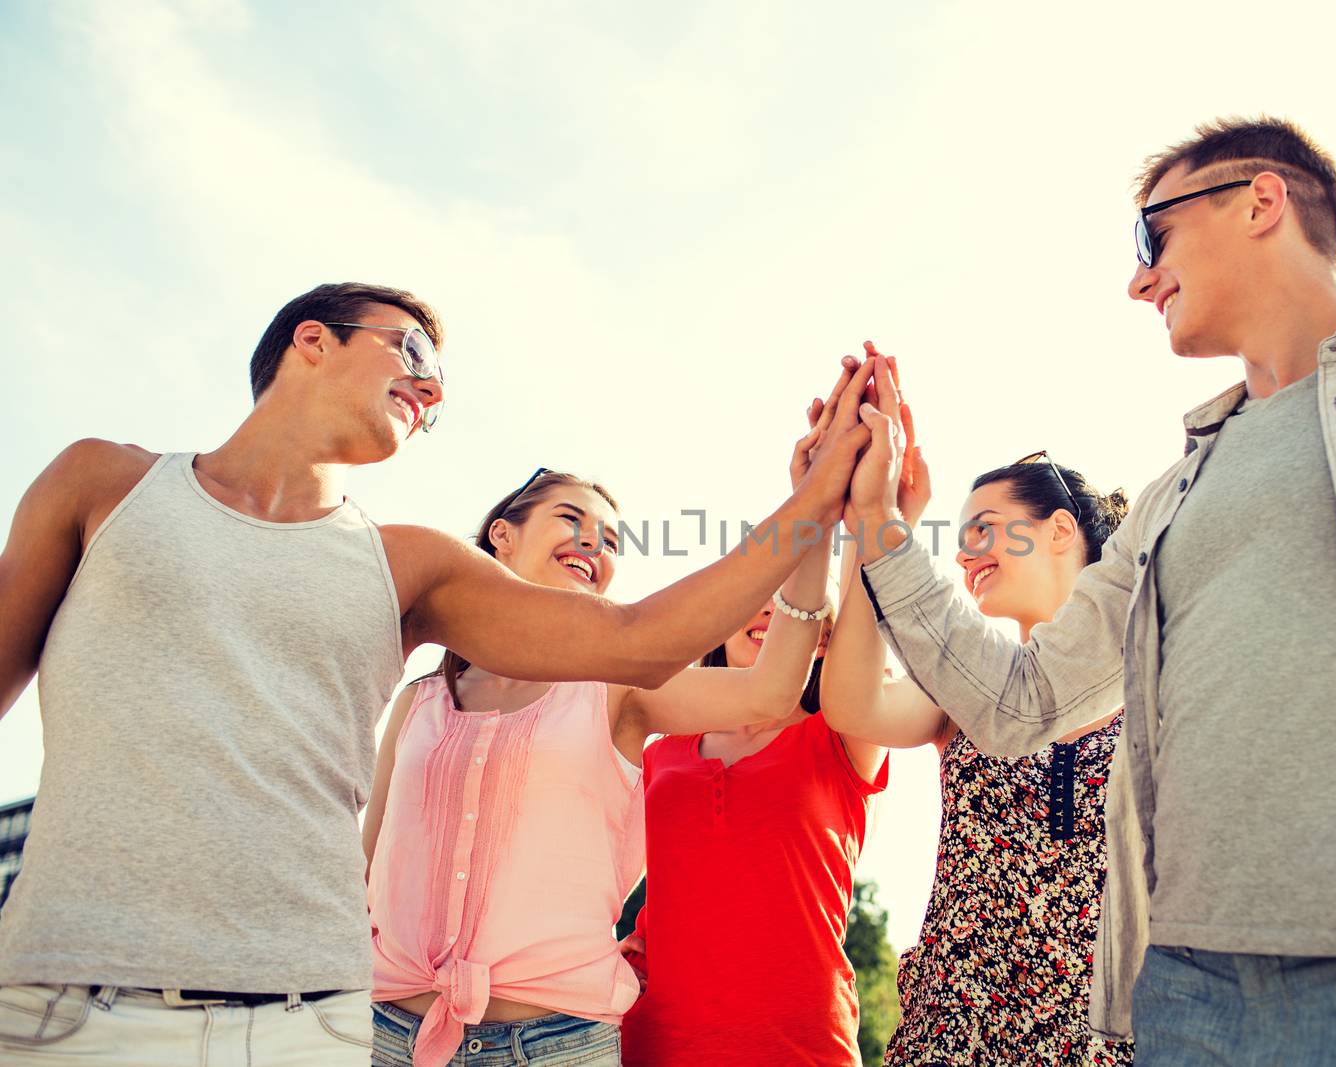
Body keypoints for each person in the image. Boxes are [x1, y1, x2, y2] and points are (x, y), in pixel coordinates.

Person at [847, 120, 1336, 1066]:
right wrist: (876, 522)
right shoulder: (1168, 500)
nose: (1137, 278)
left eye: (1150, 236)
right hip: (1187, 1007)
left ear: (1260, 200)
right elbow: (1018, 700)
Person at [0, 282, 875, 1065]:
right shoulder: (102, 484)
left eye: (441, 385)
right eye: (409, 349)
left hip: (307, 1020)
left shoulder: (408, 565)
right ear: (313, 340)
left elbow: (643, 634)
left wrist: (817, 504)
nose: (429, 387)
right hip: (65, 999)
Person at [364, 420, 837, 1067]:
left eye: (610, 538)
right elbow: (360, 878)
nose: (594, 542)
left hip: (555, 1044)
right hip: (389, 1035)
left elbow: (772, 689)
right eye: (570, 518)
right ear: (502, 534)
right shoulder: (418, 702)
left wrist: (813, 513)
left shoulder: (617, 690)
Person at [821, 443, 1132, 1066]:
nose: (963, 556)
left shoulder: (1157, 687)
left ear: (1061, 529)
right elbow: (853, 707)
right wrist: (869, 530)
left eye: (983, 529)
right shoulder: (963, 690)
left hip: (1107, 1039)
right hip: (957, 1031)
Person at [618, 552, 888, 1065]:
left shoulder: (845, 735)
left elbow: (865, 614)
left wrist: (862, 510)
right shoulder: (659, 750)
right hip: (659, 1032)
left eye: (793, 604)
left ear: (826, 638)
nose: (772, 611)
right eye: (760, 598)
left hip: (798, 1034)